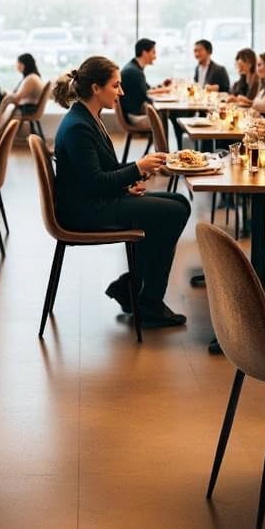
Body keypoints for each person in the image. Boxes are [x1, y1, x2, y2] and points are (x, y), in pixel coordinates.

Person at [52, 56, 191, 329]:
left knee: (179, 203)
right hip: (85, 210)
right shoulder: (79, 126)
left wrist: (129, 180)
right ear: (95, 88)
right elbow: (94, 182)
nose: (122, 92)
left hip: (92, 200)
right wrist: (137, 168)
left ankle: (133, 287)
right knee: (174, 211)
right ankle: (146, 299)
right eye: (116, 86)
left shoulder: (86, 117)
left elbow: (99, 173)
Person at [119, 38, 156, 131]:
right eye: (153, 52)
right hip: (134, 117)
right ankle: (166, 146)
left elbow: (147, 89)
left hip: (132, 113)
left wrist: (162, 88)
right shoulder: (135, 72)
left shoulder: (134, 68)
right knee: (165, 119)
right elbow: (147, 96)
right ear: (144, 53)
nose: (155, 57)